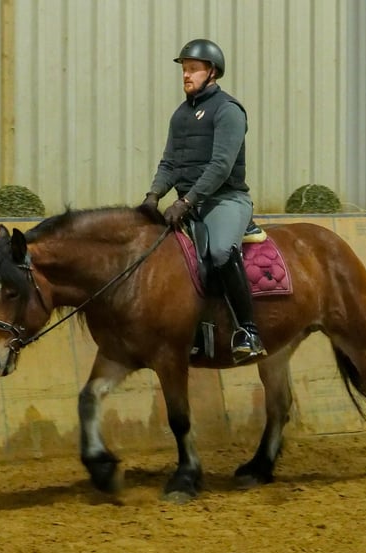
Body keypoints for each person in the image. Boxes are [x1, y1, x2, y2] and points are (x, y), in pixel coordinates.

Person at [140, 38, 265, 363]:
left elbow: (221, 167)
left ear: (212, 72)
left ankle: (249, 331)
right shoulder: (180, 116)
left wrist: (187, 201)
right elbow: (170, 163)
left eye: (193, 69)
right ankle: (191, 330)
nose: (186, 75)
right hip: (190, 202)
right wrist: (153, 196)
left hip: (226, 200)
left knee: (222, 250)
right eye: (184, 69)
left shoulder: (228, 111)